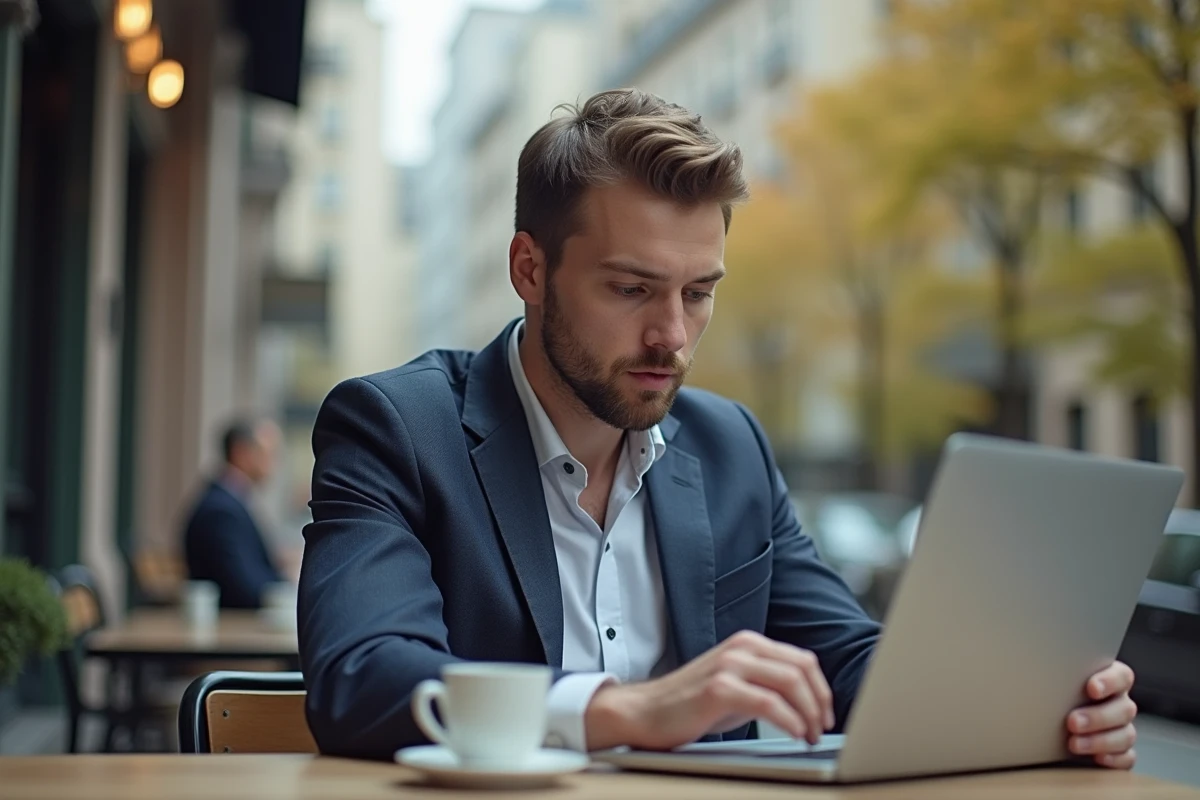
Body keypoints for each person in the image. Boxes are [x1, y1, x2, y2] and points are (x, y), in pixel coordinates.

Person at [298, 89, 1139, 768]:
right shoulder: (398, 428)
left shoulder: (728, 445)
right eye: (631, 290)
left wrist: (1038, 708)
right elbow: (362, 680)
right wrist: (624, 709)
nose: (672, 334)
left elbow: (848, 660)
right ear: (530, 269)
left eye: (698, 293)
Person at [184, 417, 285, 609]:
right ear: (241, 452)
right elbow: (245, 589)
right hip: (231, 628)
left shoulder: (230, 502)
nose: (274, 463)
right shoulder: (221, 511)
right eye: (268, 453)